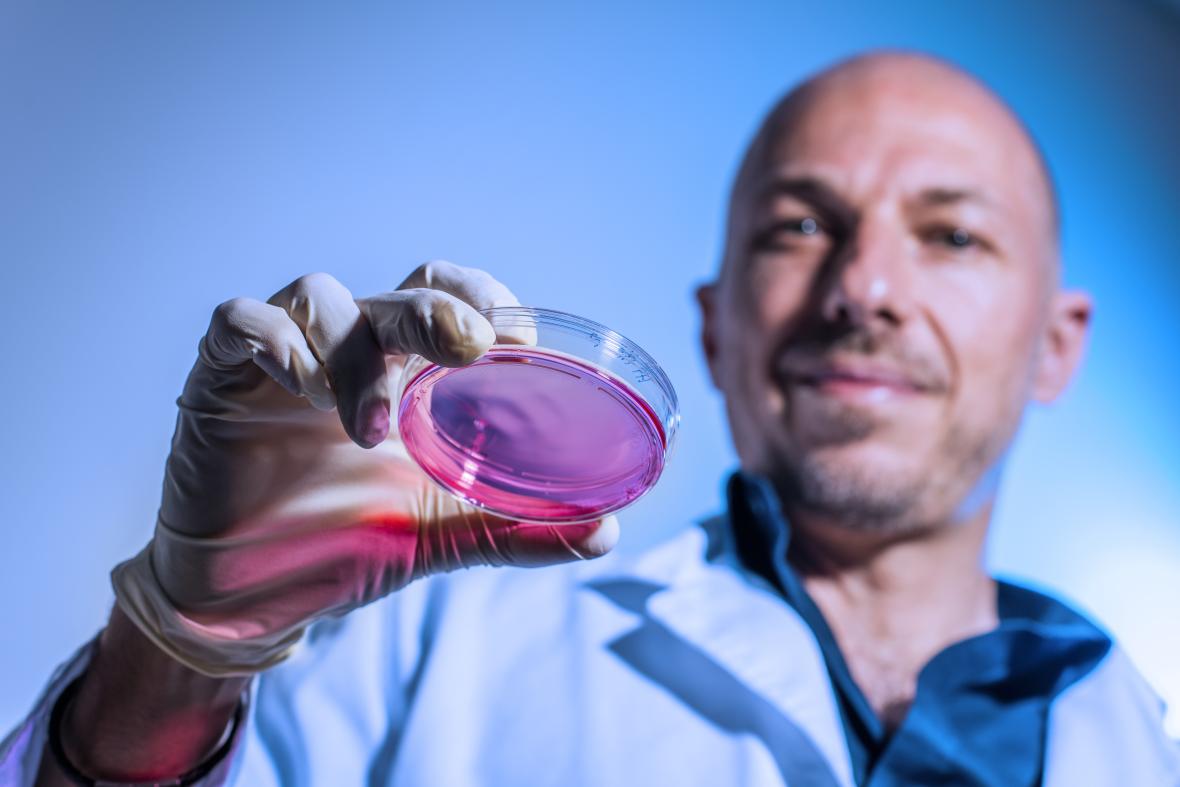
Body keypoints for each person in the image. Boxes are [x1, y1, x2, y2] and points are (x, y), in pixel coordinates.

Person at [3, 49, 1178, 787]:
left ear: (1056, 344)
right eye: (799, 226)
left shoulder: (1144, 749)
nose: (862, 288)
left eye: (952, 234)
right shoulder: (429, 662)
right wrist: (180, 654)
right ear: (718, 329)